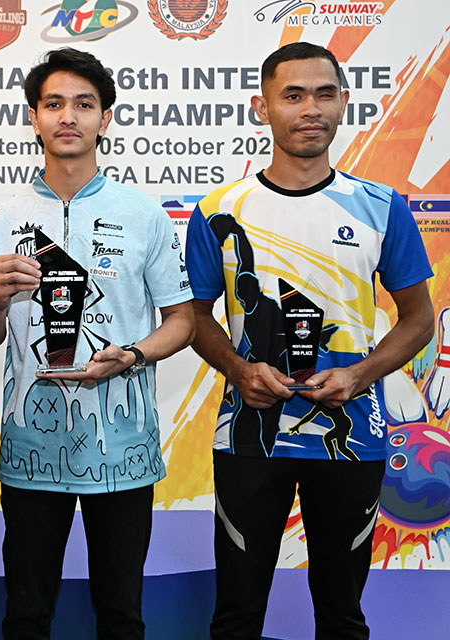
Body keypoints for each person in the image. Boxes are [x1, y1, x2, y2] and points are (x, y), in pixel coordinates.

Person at [184, 42, 434, 639]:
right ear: (262, 107)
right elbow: (192, 316)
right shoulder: (219, 209)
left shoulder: (381, 207)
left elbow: (419, 319)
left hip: (352, 438)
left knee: (342, 617)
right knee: (236, 615)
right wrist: (239, 371)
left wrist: (359, 375)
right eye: (292, 95)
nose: (310, 109)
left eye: (324, 94)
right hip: (249, 434)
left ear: (344, 102)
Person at [0, 48, 195, 639]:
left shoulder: (144, 215)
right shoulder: (2, 220)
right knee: (25, 615)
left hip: (123, 449)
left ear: (105, 118)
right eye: (54, 104)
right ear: (34, 118)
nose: (68, 117)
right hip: (30, 448)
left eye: (84, 105)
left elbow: (182, 321)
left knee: (121, 615)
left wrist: (133, 355)